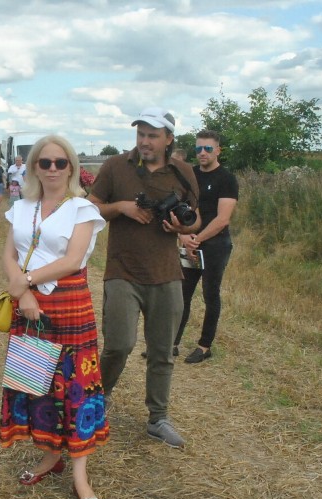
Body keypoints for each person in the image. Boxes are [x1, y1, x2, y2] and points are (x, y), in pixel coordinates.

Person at [0, 135, 108, 499]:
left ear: (72, 168)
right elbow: (9, 255)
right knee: (36, 383)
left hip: (69, 304)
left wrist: (25, 282)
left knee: (75, 387)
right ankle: (49, 456)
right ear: (32, 168)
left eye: (60, 162)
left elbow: (73, 260)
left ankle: (80, 474)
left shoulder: (82, 209)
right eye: (43, 163)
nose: (52, 169)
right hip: (28, 307)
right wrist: (23, 294)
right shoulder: (22, 207)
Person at [87, 107, 200, 449]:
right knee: (119, 344)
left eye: (153, 135)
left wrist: (183, 226)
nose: (145, 141)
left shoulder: (182, 172)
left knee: (162, 351)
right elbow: (89, 207)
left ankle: (158, 418)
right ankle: (98, 399)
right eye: (141, 134)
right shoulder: (115, 166)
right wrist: (120, 207)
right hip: (122, 270)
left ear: (168, 139)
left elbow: (195, 219)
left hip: (166, 273)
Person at [175, 130, 238, 363]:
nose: (202, 153)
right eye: (199, 148)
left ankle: (204, 346)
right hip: (189, 242)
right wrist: (183, 237)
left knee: (210, 294)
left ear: (218, 150)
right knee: (182, 294)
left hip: (215, 245)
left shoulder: (226, 179)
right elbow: (179, 207)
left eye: (208, 149)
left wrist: (196, 239)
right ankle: (173, 342)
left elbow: (223, 219)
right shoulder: (189, 175)